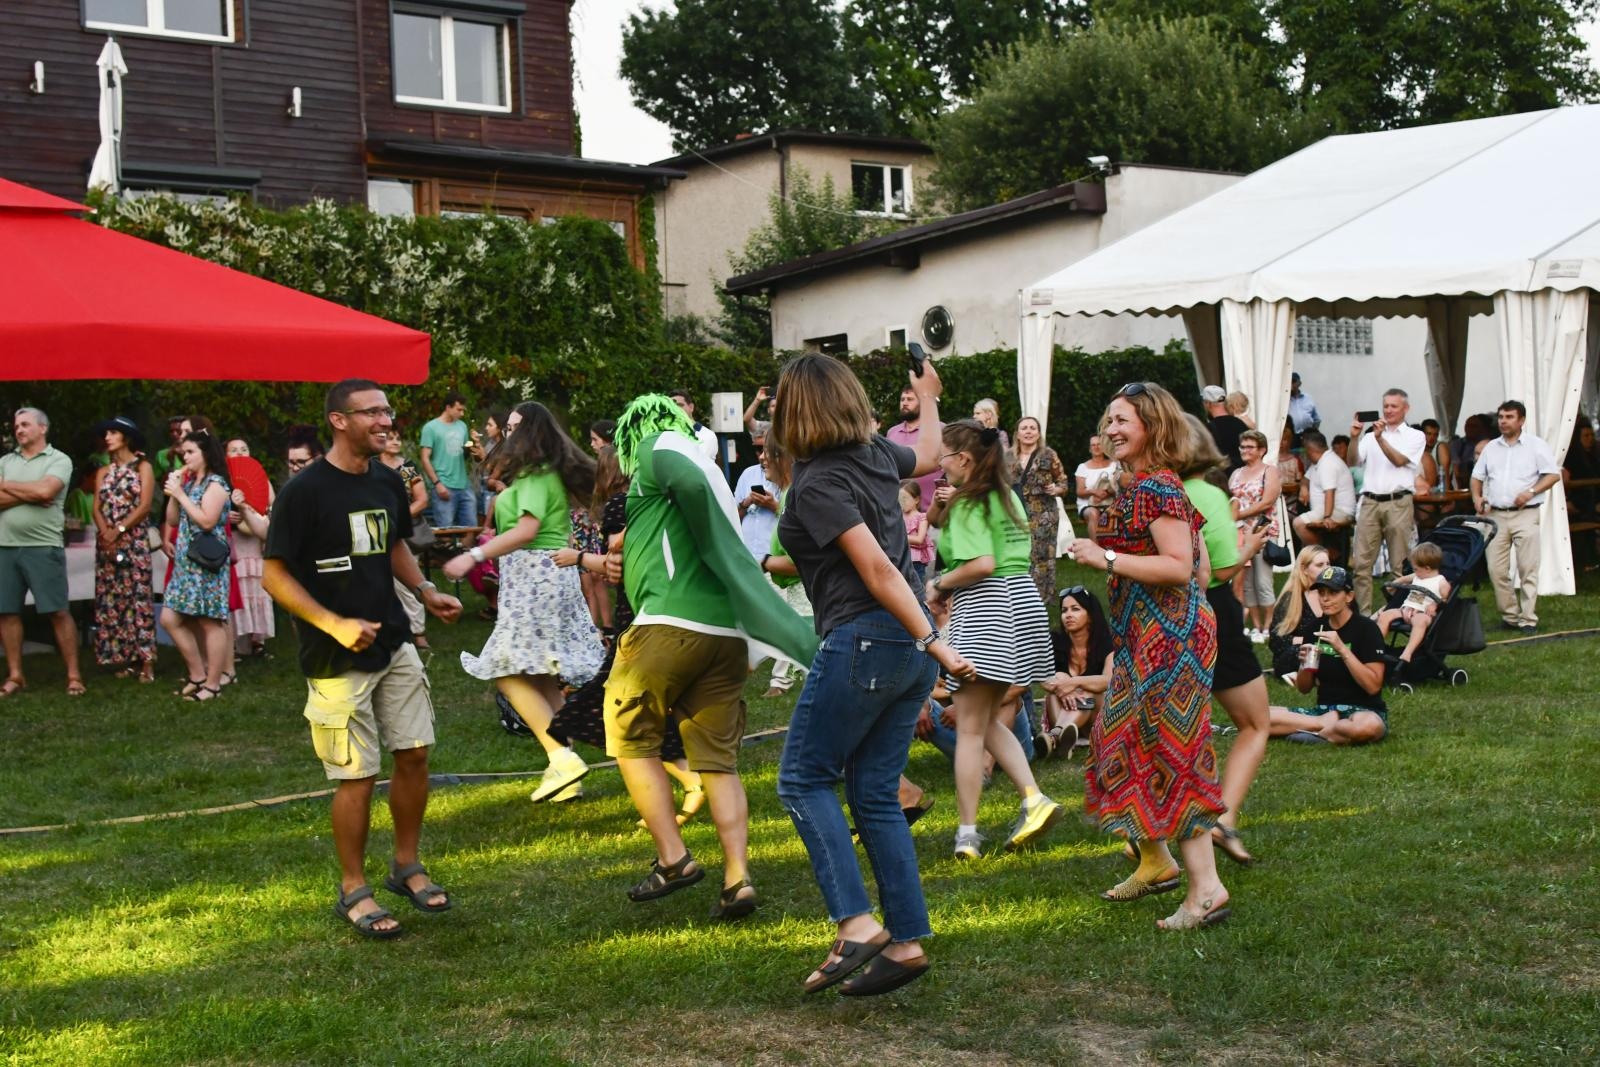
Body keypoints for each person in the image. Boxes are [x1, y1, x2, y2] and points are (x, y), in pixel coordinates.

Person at [767, 354, 971, 997]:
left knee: (803, 779)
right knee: (876, 793)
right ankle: (905, 942)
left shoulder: (821, 482)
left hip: (871, 638)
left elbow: (881, 570)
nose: (770, 410)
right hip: (901, 646)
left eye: (777, 401)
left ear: (797, 411)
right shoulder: (874, 454)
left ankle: (856, 924)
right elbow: (934, 454)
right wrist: (930, 394)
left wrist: (936, 645)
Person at [263, 379, 463, 939]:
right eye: (371, 412)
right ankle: (353, 888)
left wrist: (424, 590)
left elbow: (394, 541)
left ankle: (406, 867)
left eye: (387, 410)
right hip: (334, 655)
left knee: (416, 753)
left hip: (394, 640)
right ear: (338, 421)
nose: (385, 420)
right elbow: (273, 574)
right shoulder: (304, 492)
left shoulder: (387, 480)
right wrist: (333, 623)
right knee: (356, 775)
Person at [603, 395, 815, 915]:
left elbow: (692, 496)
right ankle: (737, 877)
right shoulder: (709, 465)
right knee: (718, 762)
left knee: (629, 738)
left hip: (667, 628)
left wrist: (713, 543)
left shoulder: (660, 445)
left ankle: (673, 858)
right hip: (723, 637)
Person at [1065, 382, 1229, 931]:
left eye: (1123, 421)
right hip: (1144, 635)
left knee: (1172, 753)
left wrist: (1105, 556)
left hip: (1172, 639)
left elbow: (1183, 569)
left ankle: (1206, 889)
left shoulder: (1158, 486)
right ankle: (1156, 861)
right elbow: (1201, 570)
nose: (1111, 429)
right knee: (1117, 741)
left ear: (1152, 427)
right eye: (1108, 419)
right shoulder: (1142, 486)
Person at [444, 402, 605, 801]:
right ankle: (563, 768)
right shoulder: (533, 475)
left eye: (514, 428)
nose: (507, 435)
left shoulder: (537, 475)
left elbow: (528, 529)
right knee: (539, 676)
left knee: (505, 670)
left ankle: (560, 757)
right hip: (537, 579)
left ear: (531, 433)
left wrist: (473, 555)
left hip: (538, 579)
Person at [927, 419, 1060, 860]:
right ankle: (1033, 800)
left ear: (963, 459)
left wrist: (940, 583)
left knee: (967, 727)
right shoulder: (1008, 499)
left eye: (944, 457)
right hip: (1022, 604)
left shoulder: (969, 502)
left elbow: (981, 563)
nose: (939, 465)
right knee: (983, 721)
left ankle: (967, 834)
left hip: (986, 608)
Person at [1178, 415, 1270, 867]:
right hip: (1214, 612)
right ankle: (1224, 818)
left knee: (1177, 731)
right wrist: (1249, 548)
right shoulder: (1210, 495)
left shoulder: (1149, 493)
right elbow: (1224, 569)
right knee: (1255, 723)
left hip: (1165, 619)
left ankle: (1149, 834)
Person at [0, 408, 82, 698]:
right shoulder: (6, 461)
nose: (18, 430)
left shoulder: (59, 460)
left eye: (25, 424)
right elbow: (37, 493)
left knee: (58, 611)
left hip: (43, 546)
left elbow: (47, 492)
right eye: (16, 426)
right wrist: (32, 492)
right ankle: (16, 675)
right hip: (5, 546)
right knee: (6, 612)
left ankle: (73, 675)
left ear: (42, 428)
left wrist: (7, 486)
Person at [1268, 566, 1388, 745]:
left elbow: (1373, 686)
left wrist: (1342, 649)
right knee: (1260, 716)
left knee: (1368, 727)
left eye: (1333, 593)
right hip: (1325, 711)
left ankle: (1316, 731)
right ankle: (1323, 727)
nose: (1325, 599)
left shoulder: (1367, 629)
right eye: (1321, 592)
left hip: (1363, 711)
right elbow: (1304, 688)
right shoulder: (1315, 629)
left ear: (1349, 596)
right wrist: (1305, 665)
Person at [1472, 400, 1562, 635]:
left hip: (1526, 514)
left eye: (1509, 417)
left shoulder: (1535, 446)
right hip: (1496, 515)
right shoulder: (1491, 447)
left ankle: (1528, 618)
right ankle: (1510, 615)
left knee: (1527, 567)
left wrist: (1531, 492)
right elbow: (1476, 476)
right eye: (1501, 417)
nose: (1503, 421)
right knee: (1496, 569)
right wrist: (1476, 497)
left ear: (1521, 420)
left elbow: (1553, 475)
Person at [159, 430, 235, 701]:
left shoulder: (216, 484)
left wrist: (180, 494)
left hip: (206, 564)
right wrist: (174, 492)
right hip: (185, 565)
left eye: (191, 452)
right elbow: (172, 520)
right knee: (169, 618)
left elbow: (206, 521)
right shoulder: (189, 484)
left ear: (206, 454)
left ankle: (213, 685)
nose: (185, 457)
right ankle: (197, 674)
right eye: (184, 452)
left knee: (209, 622)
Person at [1347, 389, 1427, 612]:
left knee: (1399, 564)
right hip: (1370, 501)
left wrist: (1380, 438)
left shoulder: (1415, 436)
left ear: (1406, 409)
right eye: (1386, 406)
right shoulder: (1370, 436)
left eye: (1394, 406)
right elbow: (1353, 461)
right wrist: (1354, 437)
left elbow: (1399, 460)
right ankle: (1363, 616)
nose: (1389, 410)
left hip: (1398, 501)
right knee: (1361, 565)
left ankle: (1396, 612)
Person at [91, 416, 157, 682]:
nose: (107, 437)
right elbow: (96, 506)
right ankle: (125, 658)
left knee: (138, 599)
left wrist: (119, 530)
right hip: (108, 543)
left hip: (134, 542)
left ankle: (147, 661)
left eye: (113, 432)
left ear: (126, 437)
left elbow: (144, 506)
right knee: (114, 601)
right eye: (106, 432)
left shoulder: (143, 466)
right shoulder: (103, 472)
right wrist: (105, 532)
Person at [1035, 585, 1113, 759]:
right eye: (1064, 610)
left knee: (1085, 691)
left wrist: (1074, 682)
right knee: (1056, 692)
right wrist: (1061, 686)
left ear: (1091, 616)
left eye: (1075, 609)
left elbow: (1109, 680)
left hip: (1096, 715)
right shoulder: (1056, 641)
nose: (1068, 615)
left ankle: (1054, 736)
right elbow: (1042, 676)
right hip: (1064, 711)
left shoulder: (1106, 643)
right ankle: (1061, 738)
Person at [377, 432, 432, 652]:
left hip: (404, 533)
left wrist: (398, 516)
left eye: (399, 438)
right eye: (390, 437)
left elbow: (422, 500)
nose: (395, 441)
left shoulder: (407, 468)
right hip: (376, 530)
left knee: (408, 583)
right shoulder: (373, 466)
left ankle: (419, 632)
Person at [223, 438, 275, 658]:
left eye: (244, 448)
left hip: (254, 538)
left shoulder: (259, 477)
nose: (240, 452)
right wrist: (227, 516)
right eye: (234, 450)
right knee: (239, 589)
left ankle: (257, 640)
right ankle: (235, 642)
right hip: (233, 542)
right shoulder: (222, 480)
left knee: (257, 589)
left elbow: (270, 502)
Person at [1229, 429, 1282, 639]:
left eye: (1250, 447)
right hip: (1240, 533)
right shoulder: (1236, 473)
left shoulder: (1270, 471)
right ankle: (1255, 626)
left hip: (1262, 530)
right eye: (1242, 446)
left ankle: (1268, 627)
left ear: (1261, 450)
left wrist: (1240, 513)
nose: (1244, 450)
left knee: (1263, 580)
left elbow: (1267, 501)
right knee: (1246, 583)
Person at [1375, 541, 1452, 680]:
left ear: (1427, 568)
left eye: (1416, 569)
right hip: (1406, 609)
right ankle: (1375, 646)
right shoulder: (1417, 576)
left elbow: (1446, 598)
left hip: (1423, 613)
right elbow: (1404, 579)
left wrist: (1435, 605)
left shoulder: (1440, 581)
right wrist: (1394, 584)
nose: (1414, 571)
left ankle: (1408, 652)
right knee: (1385, 615)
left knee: (1420, 622)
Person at [1011, 415, 1068, 602]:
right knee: (1019, 553)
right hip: (1015, 512)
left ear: (1038, 433)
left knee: (1042, 556)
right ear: (1017, 434)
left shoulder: (1048, 455)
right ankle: (1019, 596)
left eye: (1032, 428)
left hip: (1044, 514)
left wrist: (1056, 489)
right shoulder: (1007, 456)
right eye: (1024, 428)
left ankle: (1041, 597)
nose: (1028, 431)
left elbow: (1064, 483)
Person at [1268, 545, 1331, 681]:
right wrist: (1307, 642)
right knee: (1302, 652)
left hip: (1330, 650)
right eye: (1320, 565)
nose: (1327, 569)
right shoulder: (1291, 598)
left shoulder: (1336, 595)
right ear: (1304, 569)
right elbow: (1276, 641)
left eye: (1328, 563)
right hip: (1299, 656)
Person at [419, 391, 476, 529]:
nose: (461, 413)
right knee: (446, 530)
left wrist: (474, 445)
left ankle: (467, 551)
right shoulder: (431, 428)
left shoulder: (462, 426)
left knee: (471, 528)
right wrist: (437, 483)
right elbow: (424, 458)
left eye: (463, 410)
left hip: (463, 484)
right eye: (459, 409)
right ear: (448, 407)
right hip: (443, 483)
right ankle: (449, 551)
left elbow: (464, 453)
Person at [1292, 430, 1357, 552]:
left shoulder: (1328, 463)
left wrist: (1327, 517)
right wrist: (1304, 488)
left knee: (1298, 523)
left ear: (1309, 449)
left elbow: (1329, 492)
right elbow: (1305, 479)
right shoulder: (1320, 461)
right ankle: (1323, 553)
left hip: (1339, 511)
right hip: (1326, 509)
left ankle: (1325, 553)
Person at [886, 384, 942, 510]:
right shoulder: (892, 432)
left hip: (931, 511)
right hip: (900, 512)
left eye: (910, 399)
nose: (905, 403)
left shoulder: (940, 429)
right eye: (902, 399)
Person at [733, 433, 780, 559]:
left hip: (774, 558)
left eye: (766, 450)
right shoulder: (748, 474)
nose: (761, 456)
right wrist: (746, 503)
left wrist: (773, 506)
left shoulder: (790, 477)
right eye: (758, 450)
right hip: (747, 556)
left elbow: (796, 521)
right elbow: (732, 519)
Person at [1074, 432, 1117, 538]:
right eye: (1093, 445)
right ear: (1089, 449)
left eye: (1099, 444)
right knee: (1093, 513)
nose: (1096, 447)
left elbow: (1120, 487)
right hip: (1088, 505)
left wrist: (1106, 493)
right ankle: (1095, 548)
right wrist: (1094, 492)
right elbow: (1079, 492)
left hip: (1112, 502)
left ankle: (1118, 549)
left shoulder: (1114, 464)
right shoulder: (1083, 467)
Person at [1202, 384, 1247, 472]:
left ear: (1208, 404)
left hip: (1221, 479)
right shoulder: (1241, 423)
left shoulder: (1207, 429)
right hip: (1243, 477)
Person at [666, 388, 719, 462]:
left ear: (691, 407)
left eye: (680, 405)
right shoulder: (667, 435)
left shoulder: (707, 436)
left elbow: (696, 463)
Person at [899, 480, 934, 584]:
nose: (902, 502)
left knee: (917, 587)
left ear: (916, 499)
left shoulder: (921, 517)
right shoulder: (898, 517)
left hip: (916, 561)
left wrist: (899, 536)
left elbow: (919, 539)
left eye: (905, 499)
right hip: (900, 559)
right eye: (900, 499)